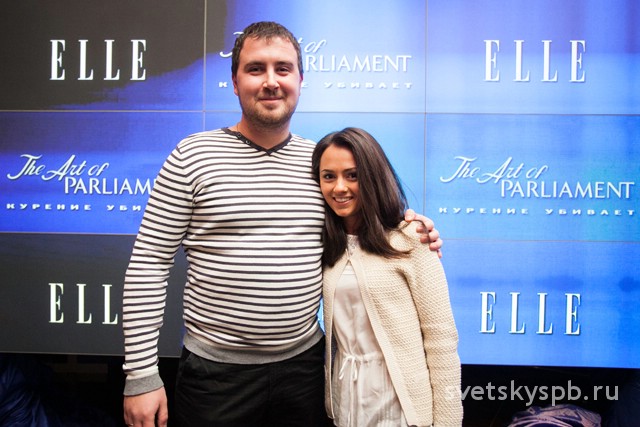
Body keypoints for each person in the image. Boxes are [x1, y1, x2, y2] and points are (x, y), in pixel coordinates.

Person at [122, 22, 442, 427]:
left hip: (306, 373)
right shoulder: (192, 156)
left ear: (300, 81)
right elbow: (149, 263)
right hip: (215, 379)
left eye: (283, 69)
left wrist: (413, 229)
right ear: (234, 82)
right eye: (256, 69)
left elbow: (367, 234)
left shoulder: (321, 165)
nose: (271, 81)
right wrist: (141, 376)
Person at [312, 127, 463, 426]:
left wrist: (448, 420)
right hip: (346, 400)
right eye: (328, 176)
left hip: (401, 405)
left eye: (352, 175)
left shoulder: (411, 238)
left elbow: (441, 338)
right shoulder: (325, 244)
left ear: (372, 177)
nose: (339, 187)